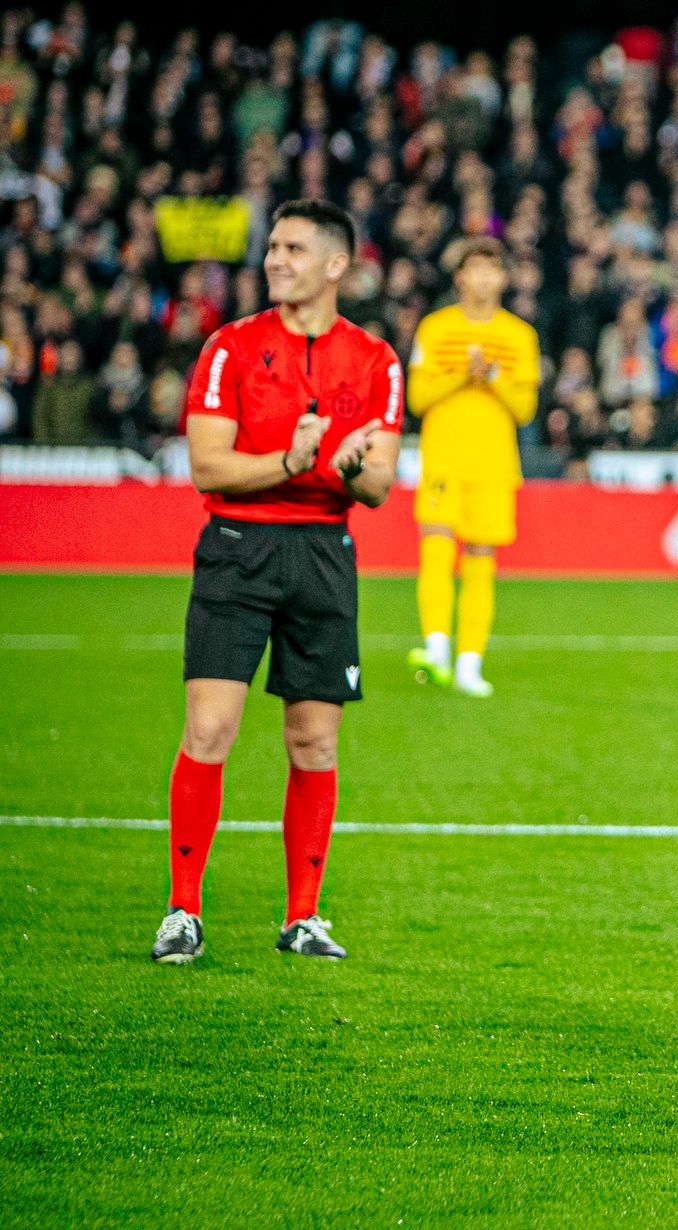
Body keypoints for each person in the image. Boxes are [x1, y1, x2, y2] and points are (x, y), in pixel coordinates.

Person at [151, 200, 402, 965]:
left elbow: (379, 485)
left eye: (293, 248)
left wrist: (353, 467)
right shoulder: (230, 348)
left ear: (335, 265)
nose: (275, 259)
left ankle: (303, 918)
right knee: (209, 729)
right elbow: (205, 465)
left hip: (324, 553)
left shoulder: (375, 359)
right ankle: (183, 910)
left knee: (314, 739)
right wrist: (292, 464)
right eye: (273, 247)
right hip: (237, 547)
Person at [403, 236, 541, 698]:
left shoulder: (519, 336)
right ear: (459, 277)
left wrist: (493, 377)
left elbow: (524, 408)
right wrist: (463, 374)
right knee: (437, 549)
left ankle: (469, 663)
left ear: (503, 278)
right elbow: (418, 399)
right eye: (474, 269)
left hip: (494, 464)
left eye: (492, 270)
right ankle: (437, 648)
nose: (483, 278)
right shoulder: (435, 329)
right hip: (443, 458)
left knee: (481, 561)